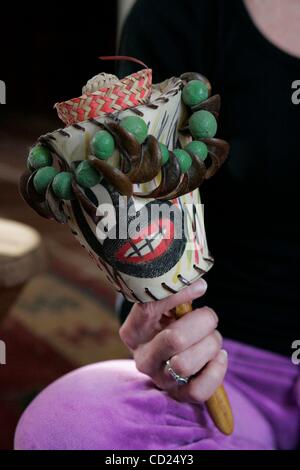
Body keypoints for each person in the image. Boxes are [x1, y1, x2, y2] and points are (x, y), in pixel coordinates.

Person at [15, 0, 300, 450]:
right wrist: (162, 340)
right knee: (64, 426)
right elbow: (133, 207)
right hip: (225, 370)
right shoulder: (172, 15)